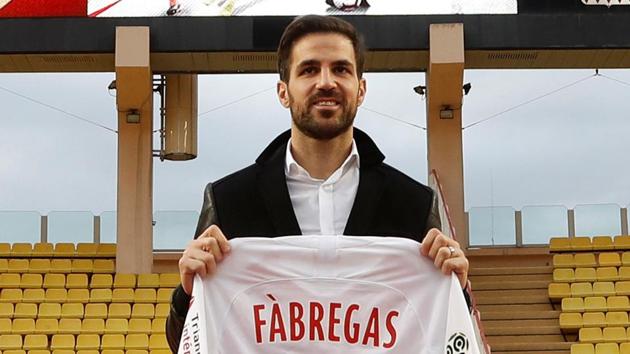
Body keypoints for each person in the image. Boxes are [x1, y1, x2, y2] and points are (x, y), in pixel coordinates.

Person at [166, 14, 469, 352]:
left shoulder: (412, 202)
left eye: (341, 69)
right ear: (284, 91)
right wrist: (187, 293)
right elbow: (189, 341)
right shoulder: (230, 198)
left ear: (361, 88)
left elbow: (443, 335)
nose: (326, 82)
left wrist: (457, 292)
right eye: (309, 69)